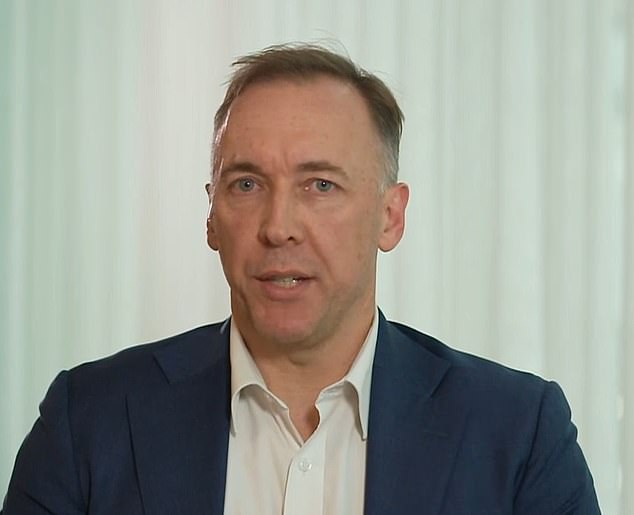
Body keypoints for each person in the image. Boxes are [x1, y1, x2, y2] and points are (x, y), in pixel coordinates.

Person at [2, 43, 600, 515]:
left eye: (320, 185)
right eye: (246, 184)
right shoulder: (89, 421)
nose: (278, 227)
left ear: (390, 216)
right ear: (211, 217)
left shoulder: (519, 434)